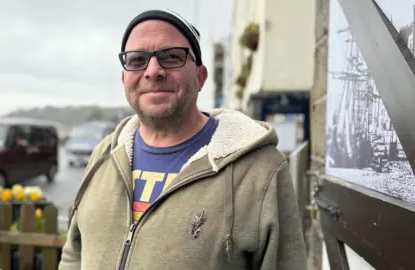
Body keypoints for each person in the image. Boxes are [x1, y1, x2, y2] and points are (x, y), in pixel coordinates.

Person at [59, 9, 307, 270]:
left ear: (201, 77)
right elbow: (75, 254)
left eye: (171, 57)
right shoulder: (103, 156)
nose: (153, 71)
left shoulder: (260, 170)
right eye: (137, 60)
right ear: (124, 78)